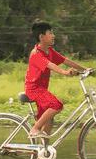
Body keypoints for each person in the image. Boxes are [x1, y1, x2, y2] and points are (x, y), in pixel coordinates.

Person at [22, 21, 86, 151]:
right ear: (42, 37)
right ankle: (35, 129)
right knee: (57, 105)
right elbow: (50, 65)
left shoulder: (49, 51)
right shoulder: (36, 53)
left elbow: (65, 60)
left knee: (49, 120)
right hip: (34, 89)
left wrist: (84, 69)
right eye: (50, 33)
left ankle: (43, 152)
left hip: (42, 90)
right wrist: (65, 73)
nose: (53, 36)